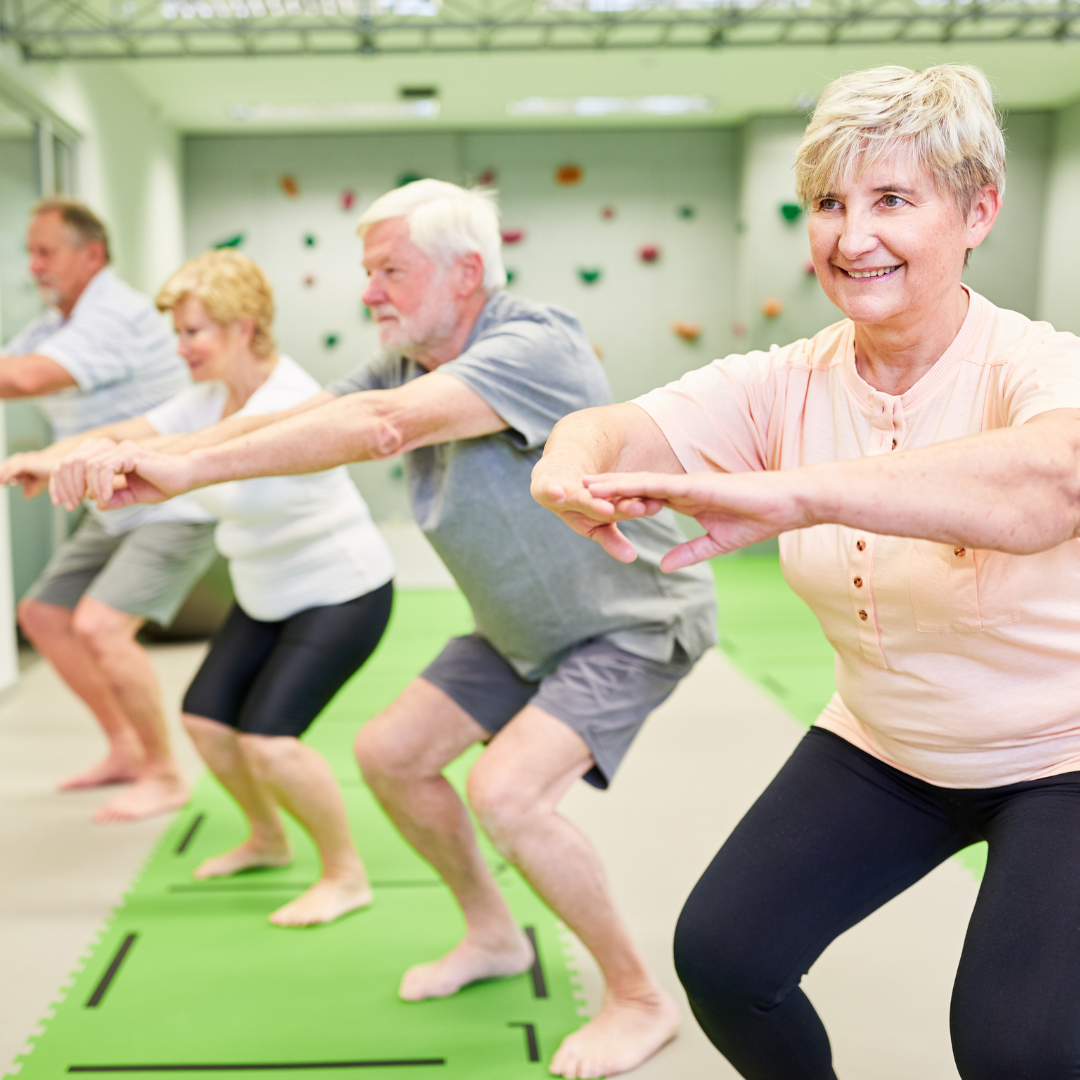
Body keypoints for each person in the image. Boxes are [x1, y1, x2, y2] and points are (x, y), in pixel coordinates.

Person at [57, 180, 717, 1080]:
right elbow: (305, 416)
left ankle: (639, 1000)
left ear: (466, 272)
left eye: (391, 270)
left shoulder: (533, 343)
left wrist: (175, 471)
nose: (370, 291)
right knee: (389, 754)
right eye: (368, 271)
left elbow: (376, 430)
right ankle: (493, 934)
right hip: (518, 630)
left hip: (629, 621)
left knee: (508, 794)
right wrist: (166, 457)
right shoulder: (405, 358)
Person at [532, 63, 1080, 1079]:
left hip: (1062, 758)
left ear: (978, 211)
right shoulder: (785, 379)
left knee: (1019, 1050)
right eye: (828, 202)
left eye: (891, 200)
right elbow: (616, 427)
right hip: (887, 744)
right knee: (726, 959)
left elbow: (1053, 484)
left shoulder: (1039, 367)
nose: (850, 235)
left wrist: (806, 491)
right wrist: (571, 458)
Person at [44, 250, 395, 926]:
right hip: (266, 590)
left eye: (193, 332)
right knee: (207, 721)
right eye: (178, 333)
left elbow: (196, 456)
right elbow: (137, 431)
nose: (182, 348)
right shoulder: (209, 396)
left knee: (270, 741)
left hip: (339, 589)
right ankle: (266, 838)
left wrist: (116, 466)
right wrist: (53, 457)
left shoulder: (288, 399)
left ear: (242, 327)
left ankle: (346, 875)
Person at [0, 198, 216, 822]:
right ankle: (125, 748)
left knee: (99, 625)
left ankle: (165, 774)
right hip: (113, 502)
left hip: (173, 502)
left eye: (46, 251)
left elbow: (25, 380)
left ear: (90, 254)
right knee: (43, 614)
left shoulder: (115, 314)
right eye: (31, 252)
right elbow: (17, 363)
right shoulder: (53, 323)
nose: (34, 265)